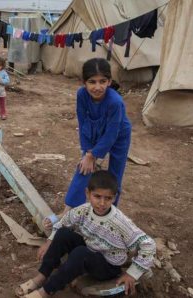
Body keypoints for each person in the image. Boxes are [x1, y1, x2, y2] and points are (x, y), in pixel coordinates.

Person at [16, 171, 156, 298]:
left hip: (107, 266)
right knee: (63, 233)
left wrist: (132, 273)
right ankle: (41, 276)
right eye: (97, 196)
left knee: (80, 253)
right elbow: (63, 222)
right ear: (87, 193)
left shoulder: (120, 222)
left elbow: (148, 244)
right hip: (91, 250)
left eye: (108, 198)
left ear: (114, 198)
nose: (102, 203)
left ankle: (45, 291)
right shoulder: (83, 210)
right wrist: (49, 241)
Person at [45, 58, 132, 230]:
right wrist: (87, 153)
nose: (97, 87)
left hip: (118, 134)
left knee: (115, 175)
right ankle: (68, 212)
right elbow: (83, 121)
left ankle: (109, 217)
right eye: (92, 82)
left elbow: (111, 134)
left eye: (102, 81)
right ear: (84, 82)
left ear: (109, 81)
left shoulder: (115, 102)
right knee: (84, 168)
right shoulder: (82, 95)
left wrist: (94, 154)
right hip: (93, 129)